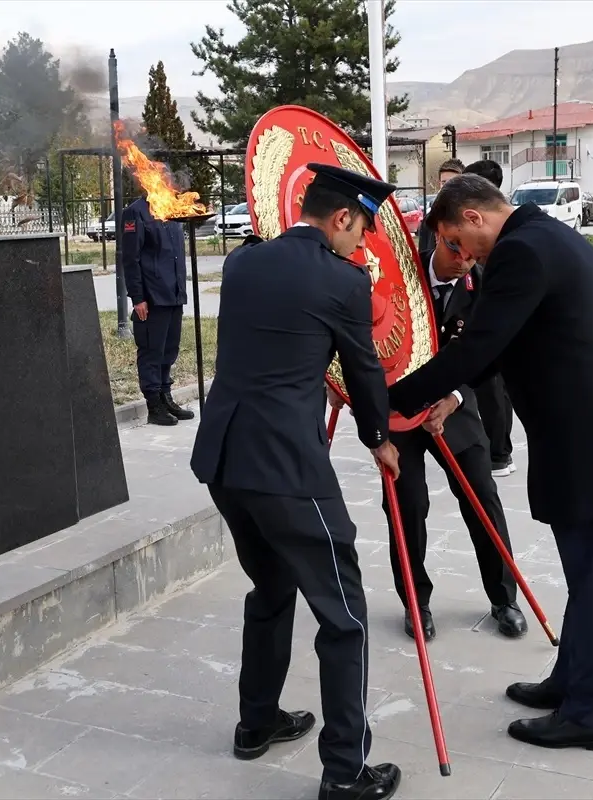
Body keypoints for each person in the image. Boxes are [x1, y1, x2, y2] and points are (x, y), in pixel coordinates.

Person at [388, 175, 593, 753]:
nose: (459, 257)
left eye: (454, 241)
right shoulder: (547, 238)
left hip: (588, 443)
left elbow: (478, 347)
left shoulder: (521, 251)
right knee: (585, 576)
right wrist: (449, 394)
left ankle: (591, 714)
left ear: (472, 216)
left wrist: (391, 398)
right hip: (589, 435)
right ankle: (570, 683)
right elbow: (508, 348)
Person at [190, 163, 403, 800]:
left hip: (226, 462)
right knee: (345, 617)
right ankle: (345, 773)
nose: (359, 243)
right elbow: (364, 370)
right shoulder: (342, 282)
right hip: (288, 469)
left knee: (271, 585)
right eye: (359, 229)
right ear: (341, 218)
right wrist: (379, 439)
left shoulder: (242, 263)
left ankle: (256, 722)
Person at [326, 231, 527, 642]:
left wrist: (454, 397)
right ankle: (415, 602)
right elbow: (359, 330)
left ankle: (504, 598)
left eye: (473, 258)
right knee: (406, 506)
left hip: (452, 408)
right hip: (397, 409)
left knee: (482, 500)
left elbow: (489, 354)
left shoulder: (483, 285)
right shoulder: (399, 270)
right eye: (457, 251)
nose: (464, 263)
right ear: (442, 235)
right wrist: (337, 378)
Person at [461, 159, 516, 477]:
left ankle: (499, 453)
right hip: (467, 312)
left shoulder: (512, 247)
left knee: (494, 391)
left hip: (486, 319)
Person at [121, 192, 194, 426]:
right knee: (152, 352)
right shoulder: (136, 212)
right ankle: (154, 405)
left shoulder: (171, 208)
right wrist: (138, 297)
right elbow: (130, 258)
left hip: (173, 293)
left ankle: (166, 397)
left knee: (169, 350)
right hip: (152, 296)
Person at [417, 158, 464, 254]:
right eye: (444, 182)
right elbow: (423, 255)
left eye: (453, 181)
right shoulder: (429, 220)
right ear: (439, 184)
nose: (447, 186)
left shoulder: (471, 218)